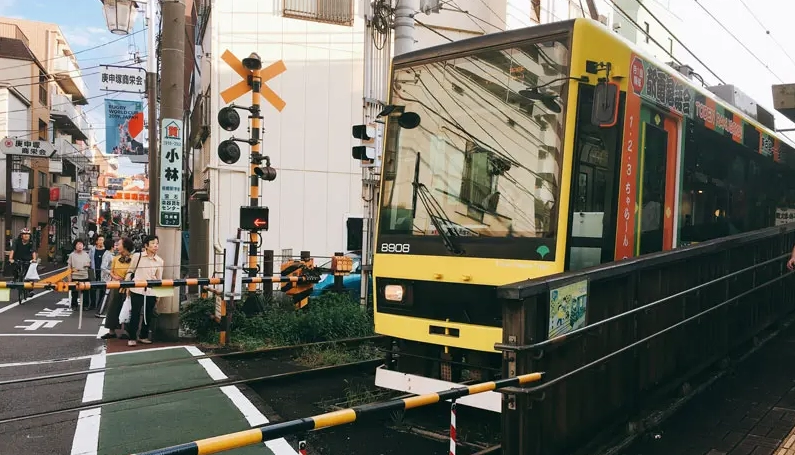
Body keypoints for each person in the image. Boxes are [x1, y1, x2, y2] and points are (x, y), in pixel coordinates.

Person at [127, 235, 163, 346]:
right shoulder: (137, 256)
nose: (155, 245)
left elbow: (159, 278)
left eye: (157, 243)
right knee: (135, 314)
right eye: (152, 243)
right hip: (136, 290)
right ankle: (132, 337)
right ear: (146, 245)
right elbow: (130, 271)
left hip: (151, 291)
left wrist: (159, 295)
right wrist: (127, 286)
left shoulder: (160, 261)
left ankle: (143, 336)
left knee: (148, 314)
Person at [100, 237, 134, 339]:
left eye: (119, 244)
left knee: (128, 308)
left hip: (128, 286)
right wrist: (115, 277)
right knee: (113, 307)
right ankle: (111, 331)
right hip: (116, 285)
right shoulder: (115, 258)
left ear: (125, 246)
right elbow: (111, 271)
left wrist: (126, 279)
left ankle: (126, 331)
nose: (116, 246)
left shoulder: (133, 259)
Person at [67, 239, 92, 310]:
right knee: (74, 292)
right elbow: (69, 267)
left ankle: (85, 305)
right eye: (78, 244)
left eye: (81, 244)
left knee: (86, 292)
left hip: (84, 275)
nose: (80, 246)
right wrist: (69, 278)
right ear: (75, 246)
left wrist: (87, 265)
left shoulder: (86, 254)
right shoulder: (72, 255)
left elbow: (89, 264)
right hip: (75, 276)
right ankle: (74, 305)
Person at [94, 238, 115, 318]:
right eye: (114, 245)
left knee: (106, 295)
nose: (116, 246)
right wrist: (111, 273)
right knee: (106, 295)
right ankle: (101, 312)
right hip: (107, 278)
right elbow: (103, 267)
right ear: (112, 246)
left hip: (109, 277)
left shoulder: (110, 253)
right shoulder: (107, 254)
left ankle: (102, 311)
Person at [88, 234, 110, 311]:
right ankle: (92, 304)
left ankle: (100, 304)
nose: (101, 242)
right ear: (96, 241)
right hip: (94, 270)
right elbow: (89, 259)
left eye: (102, 240)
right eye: (100, 240)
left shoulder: (106, 251)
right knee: (92, 287)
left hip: (103, 272)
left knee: (102, 288)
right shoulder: (92, 250)